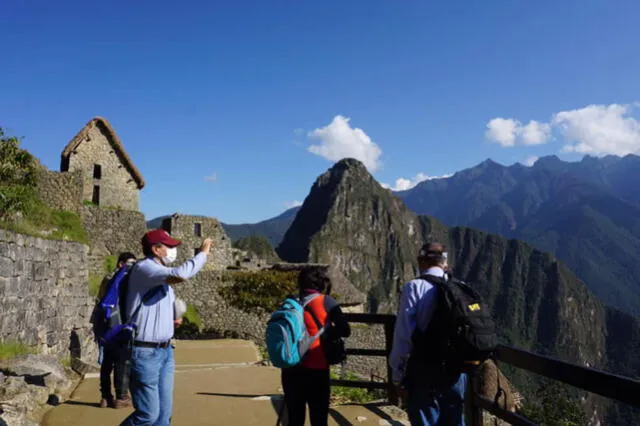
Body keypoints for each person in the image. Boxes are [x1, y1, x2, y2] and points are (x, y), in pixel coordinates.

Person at [120, 229, 212, 426]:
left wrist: (172, 318)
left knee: (163, 416)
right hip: (145, 352)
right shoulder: (145, 268)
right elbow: (180, 274)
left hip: (165, 351)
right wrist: (202, 254)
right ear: (156, 249)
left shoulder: (161, 277)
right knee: (148, 415)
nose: (173, 249)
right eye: (169, 246)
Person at [389, 242, 467, 426]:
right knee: (454, 417)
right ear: (445, 263)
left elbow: (404, 333)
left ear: (420, 261)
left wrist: (397, 373)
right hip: (455, 368)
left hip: (423, 367)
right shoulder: (460, 287)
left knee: (424, 417)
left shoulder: (414, 287)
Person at [281, 267, 351, 426]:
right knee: (319, 418)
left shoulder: (289, 302)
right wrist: (326, 334)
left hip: (291, 370)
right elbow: (345, 330)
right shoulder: (327, 302)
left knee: (295, 419)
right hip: (317, 369)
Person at [93, 252, 137, 409]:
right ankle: (121, 396)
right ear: (121, 263)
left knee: (106, 363)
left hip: (105, 326)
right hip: (120, 326)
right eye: (130, 263)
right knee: (122, 361)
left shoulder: (107, 279)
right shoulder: (126, 278)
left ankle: (105, 397)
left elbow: (100, 300)